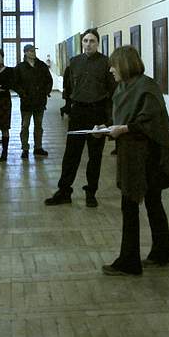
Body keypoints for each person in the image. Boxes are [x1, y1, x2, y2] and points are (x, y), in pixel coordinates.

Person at [101, 45, 169, 276]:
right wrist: (106, 128)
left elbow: (148, 123)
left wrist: (123, 129)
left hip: (148, 157)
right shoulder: (123, 87)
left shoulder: (146, 87)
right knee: (151, 204)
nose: (111, 70)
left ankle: (129, 262)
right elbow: (123, 119)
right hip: (132, 154)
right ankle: (161, 253)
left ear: (125, 64)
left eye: (114, 66)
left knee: (134, 205)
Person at [45, 28, 115, 207]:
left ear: (97, 43)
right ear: (82, 43)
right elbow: (69, 87)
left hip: (97, 112)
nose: (88, 44)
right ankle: (64, 191)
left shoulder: (106, 62)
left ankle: (91, 192)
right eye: (85, 41)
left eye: (92, 41)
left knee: (95, 156)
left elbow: (112, 91)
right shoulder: (75, 62)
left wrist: (108, 120)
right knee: (71, 154)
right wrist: (69, 106)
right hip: (78, 113)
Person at [14, 44, 53, 159]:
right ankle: (25, 148)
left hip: (39, 101)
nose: (33, 53)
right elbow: (15, 83)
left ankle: (38, 147)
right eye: (30, 51)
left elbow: (49, 80)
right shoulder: (20, 67)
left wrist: (45, 92)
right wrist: (22, 93)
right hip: (26, 101)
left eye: (33, 51)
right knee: (25, 126)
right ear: (25, 53)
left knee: (38, 125)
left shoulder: (41, 65)